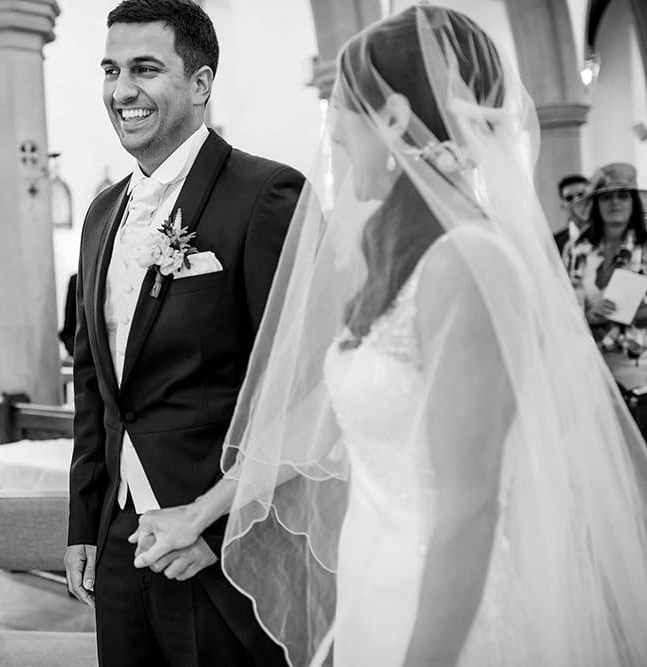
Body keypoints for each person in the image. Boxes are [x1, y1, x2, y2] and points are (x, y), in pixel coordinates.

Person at [130, 6, 647, 666]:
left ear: (397, 120)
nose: (337, 137)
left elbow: (469, 511)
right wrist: (201, 510)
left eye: (344, 109)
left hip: (446, 607)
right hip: (376, 579)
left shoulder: (469, 263)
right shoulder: (404, 258)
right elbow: (323, 417)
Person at [64, 1, 304, 665]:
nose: (121, 90)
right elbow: (95, 381)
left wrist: (223, 523)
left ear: (200, 85)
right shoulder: (101, 214)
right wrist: (86, 520)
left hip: (215, 543)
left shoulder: (266, 193)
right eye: (111, 69)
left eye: (145, 69)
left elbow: (295, 386)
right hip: (119, 539)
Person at [563, 162, 647, 351]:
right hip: (590, 355)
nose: (615, 202)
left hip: (640, 360)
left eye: (623, 196)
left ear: (634, 203)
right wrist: (589, 316)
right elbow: (565, 304)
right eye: (606, 197)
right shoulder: (577, 248)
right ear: (596, 205)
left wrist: (633, 311)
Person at [554, 173, 589, 254]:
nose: (577, 201)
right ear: (562, 205)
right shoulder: (553, 243)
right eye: (569, 198)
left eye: (581, 195)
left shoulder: (609, 235)